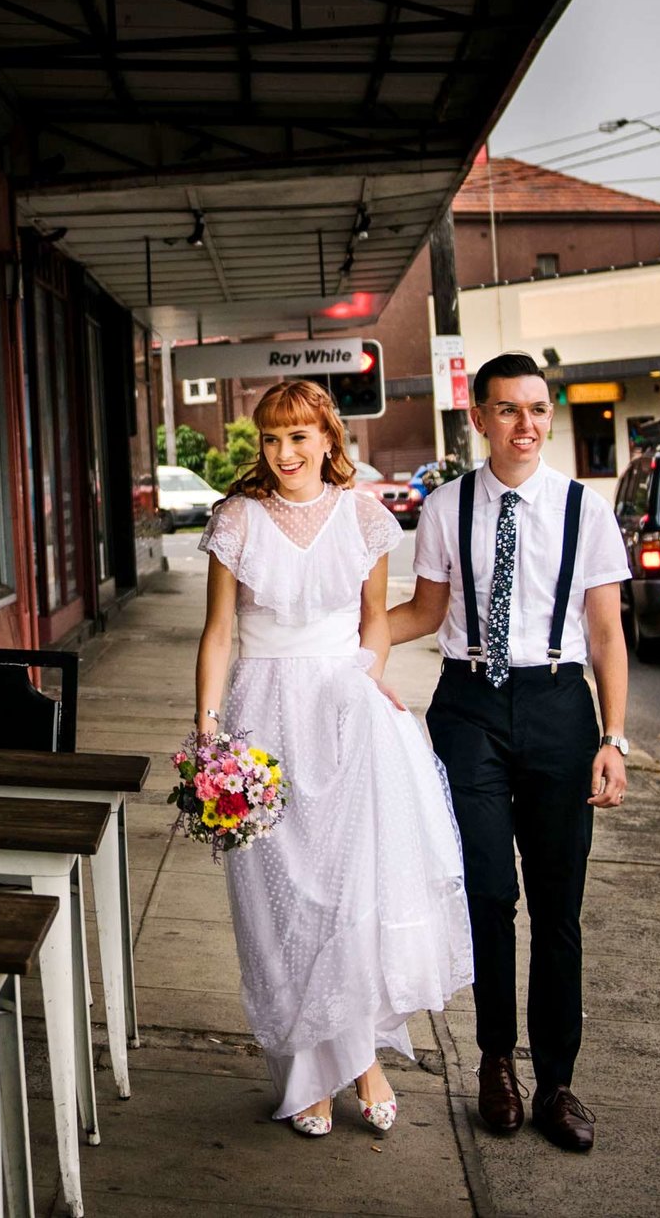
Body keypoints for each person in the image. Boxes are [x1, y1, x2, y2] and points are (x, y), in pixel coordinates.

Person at [194, 379, 473, 1138]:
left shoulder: (363, 517)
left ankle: (362, 1063)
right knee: (279, 904)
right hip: (260, 718)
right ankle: (311, 1072)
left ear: (327, 438)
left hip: (343, 710)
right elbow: (220, 633)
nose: (284, 452)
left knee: (348, 899)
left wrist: (365, 678)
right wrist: (209, 732)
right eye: (272, 438)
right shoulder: (237, 521)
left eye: (298, 436)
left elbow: (376, 624)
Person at [388, 352, 632, 1153]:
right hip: (471, 706)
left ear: (548, 415)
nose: (525, 424)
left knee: (558, 906)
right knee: (490, 892)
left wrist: (613, 739)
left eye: (536, 409)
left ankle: (558, 1081)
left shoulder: (583, 508)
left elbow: (605, 633)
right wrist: (336, 642)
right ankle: (498, 1063)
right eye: (507, 410)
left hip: (561, 705)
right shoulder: (446, 507)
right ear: (478, 417)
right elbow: (425, 611)